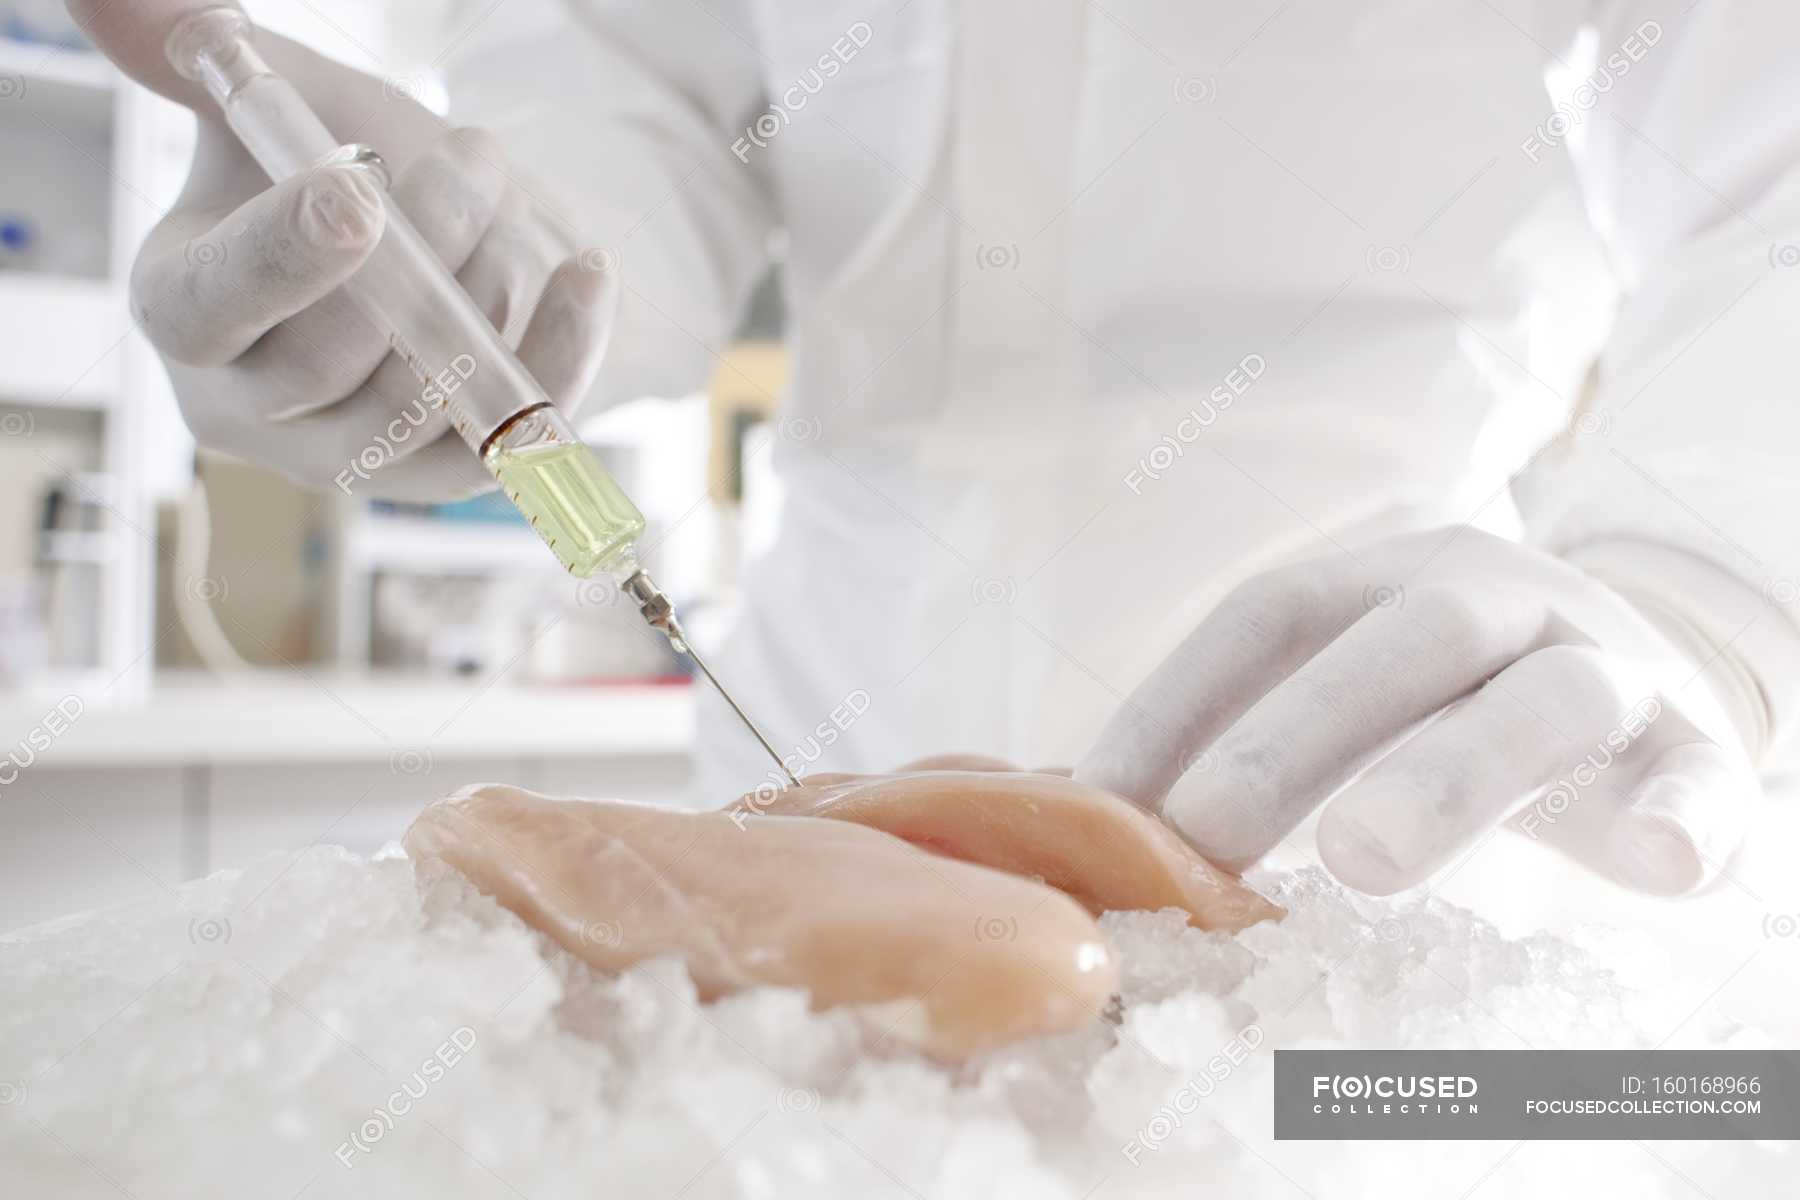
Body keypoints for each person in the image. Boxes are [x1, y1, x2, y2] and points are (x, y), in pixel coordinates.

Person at [74, 1, 1800, 897]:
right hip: (813, 764)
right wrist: (437, 283)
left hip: (1417, 777)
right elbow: (613, 153)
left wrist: (1697, 584)